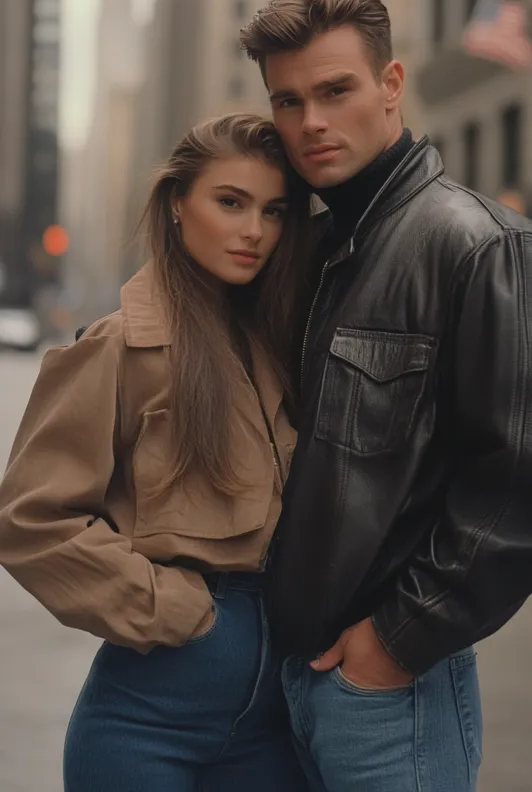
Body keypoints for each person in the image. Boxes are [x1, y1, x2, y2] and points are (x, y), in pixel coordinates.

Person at [240, 0, 532, 792]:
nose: (311, 121)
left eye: (335, 90)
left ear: (390, 86)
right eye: (288, 101)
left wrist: (393, 645)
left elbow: (530, 497)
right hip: (284, 686)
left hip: (389, 697)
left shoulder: (486, 249)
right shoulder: (311, 256)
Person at [0, 114, 312, 792]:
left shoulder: (285, 345)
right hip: (147, 722)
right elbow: (31, 520)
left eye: (274, 211)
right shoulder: (120, 345)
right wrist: (175, 609)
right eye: (230, 202)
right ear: (177, 205)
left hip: (274, 725)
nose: (254, 230)